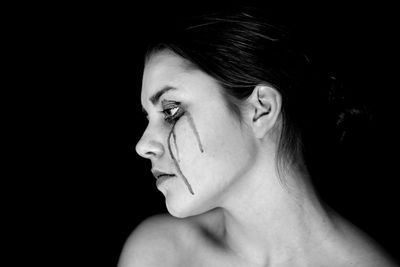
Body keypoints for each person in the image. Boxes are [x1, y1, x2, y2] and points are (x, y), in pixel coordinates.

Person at [118, 6, 398, 267]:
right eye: (147, 118)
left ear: (260, 110)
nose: (143, 145)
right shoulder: (159, 253)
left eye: (171, 110)